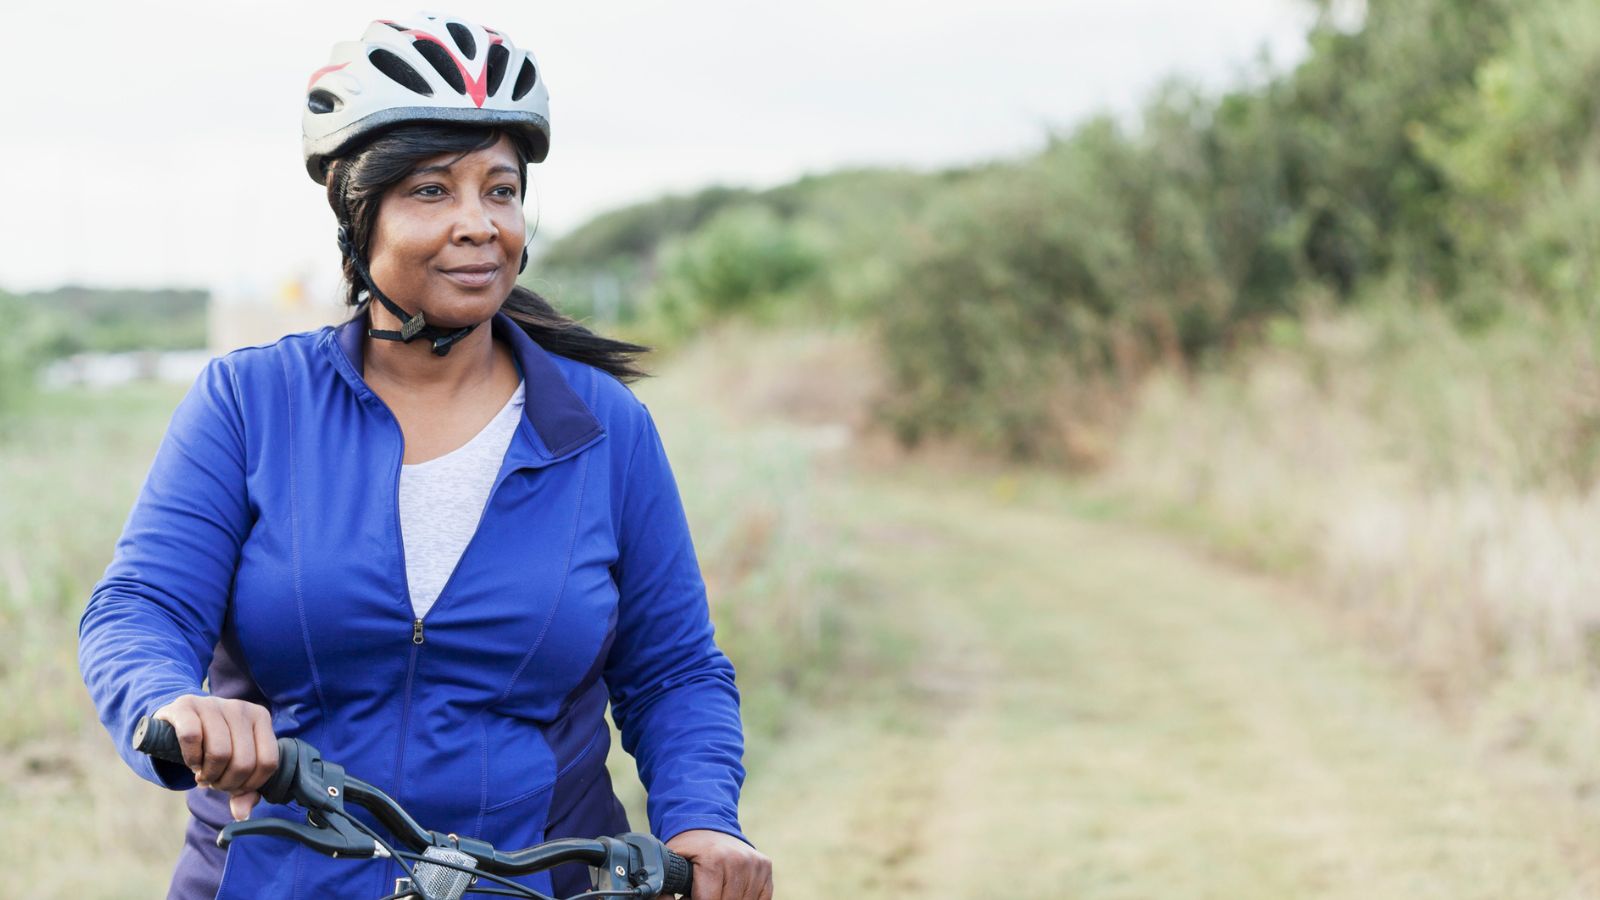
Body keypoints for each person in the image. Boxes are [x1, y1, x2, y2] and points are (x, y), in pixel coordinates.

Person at [77, 13, 773, 900]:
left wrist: (702, 816)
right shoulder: (252, 404)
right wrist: (169, 702)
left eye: (501, 189)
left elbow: (673, 668)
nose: (482, 224)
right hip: (271, 874)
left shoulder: (603, 428)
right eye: (433, 192)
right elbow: (141, 604)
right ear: (357, 216)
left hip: (540, 880)